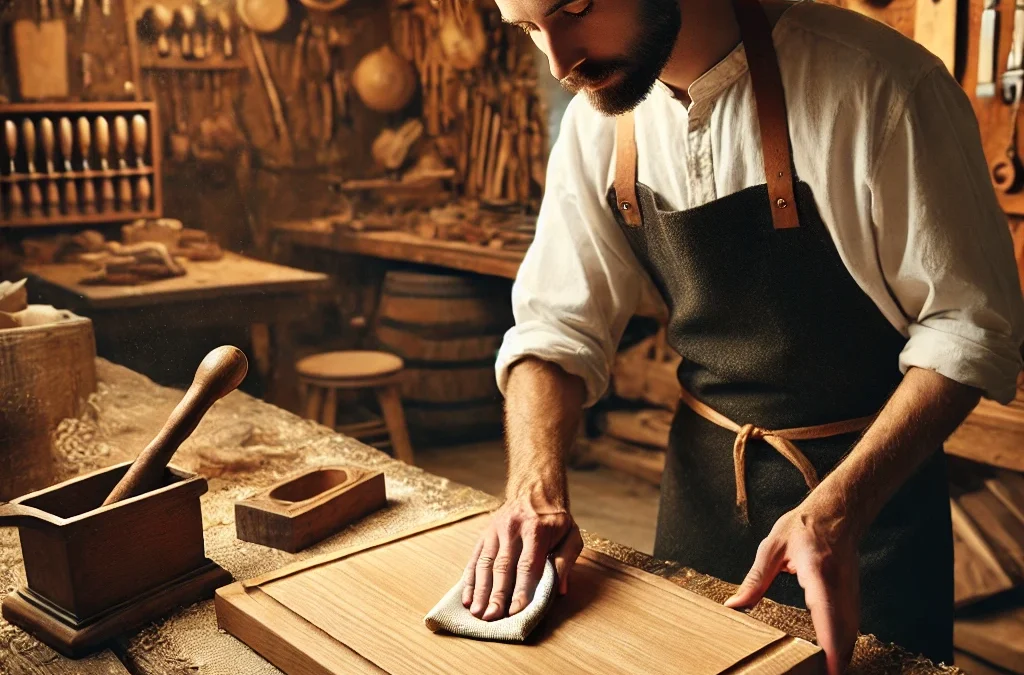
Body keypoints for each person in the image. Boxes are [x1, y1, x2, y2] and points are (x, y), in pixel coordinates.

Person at [460, 0, 1024, 673]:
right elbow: (555, 327)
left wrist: (839, 511)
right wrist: (533, 486)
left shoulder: (883, 86)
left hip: (871, 516)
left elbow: (969, 325)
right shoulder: (596, 126)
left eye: (575, 9)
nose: (559, 64)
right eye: (529, 30)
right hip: (700, 504)